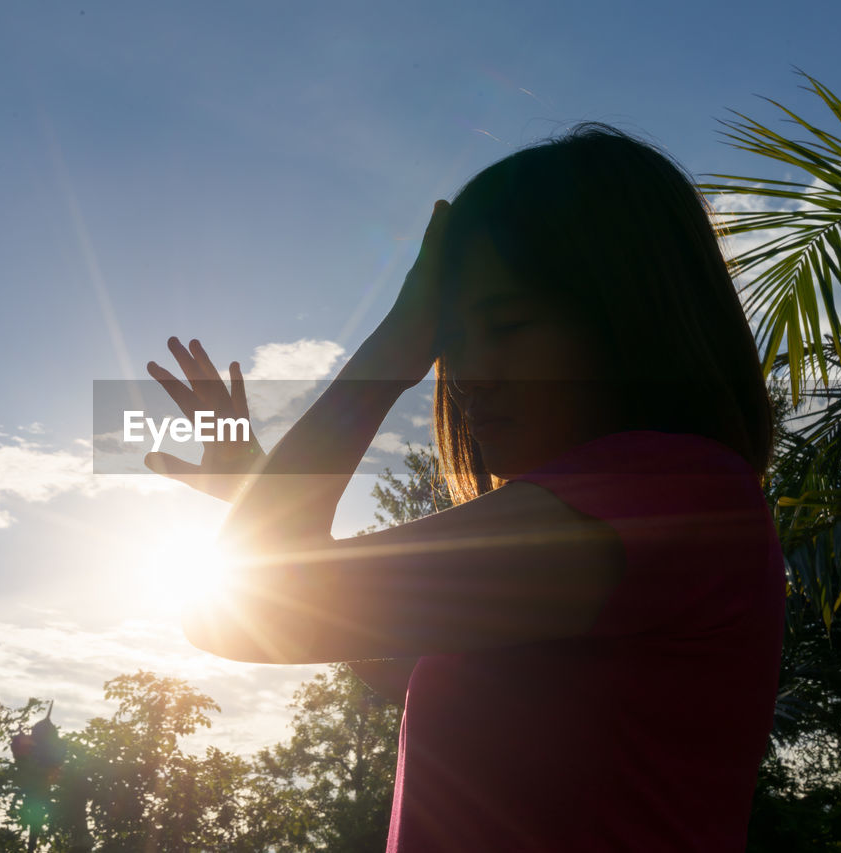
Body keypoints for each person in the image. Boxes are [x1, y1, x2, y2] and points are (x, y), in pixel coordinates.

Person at [143, 123, 784, 851]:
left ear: (628, 316)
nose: (467, 369)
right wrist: (258, 496)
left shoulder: (670, 495)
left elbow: (242, 614)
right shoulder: (656, 505)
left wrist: (394, 342)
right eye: (451, 337)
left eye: (506, 323)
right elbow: (414, 670)